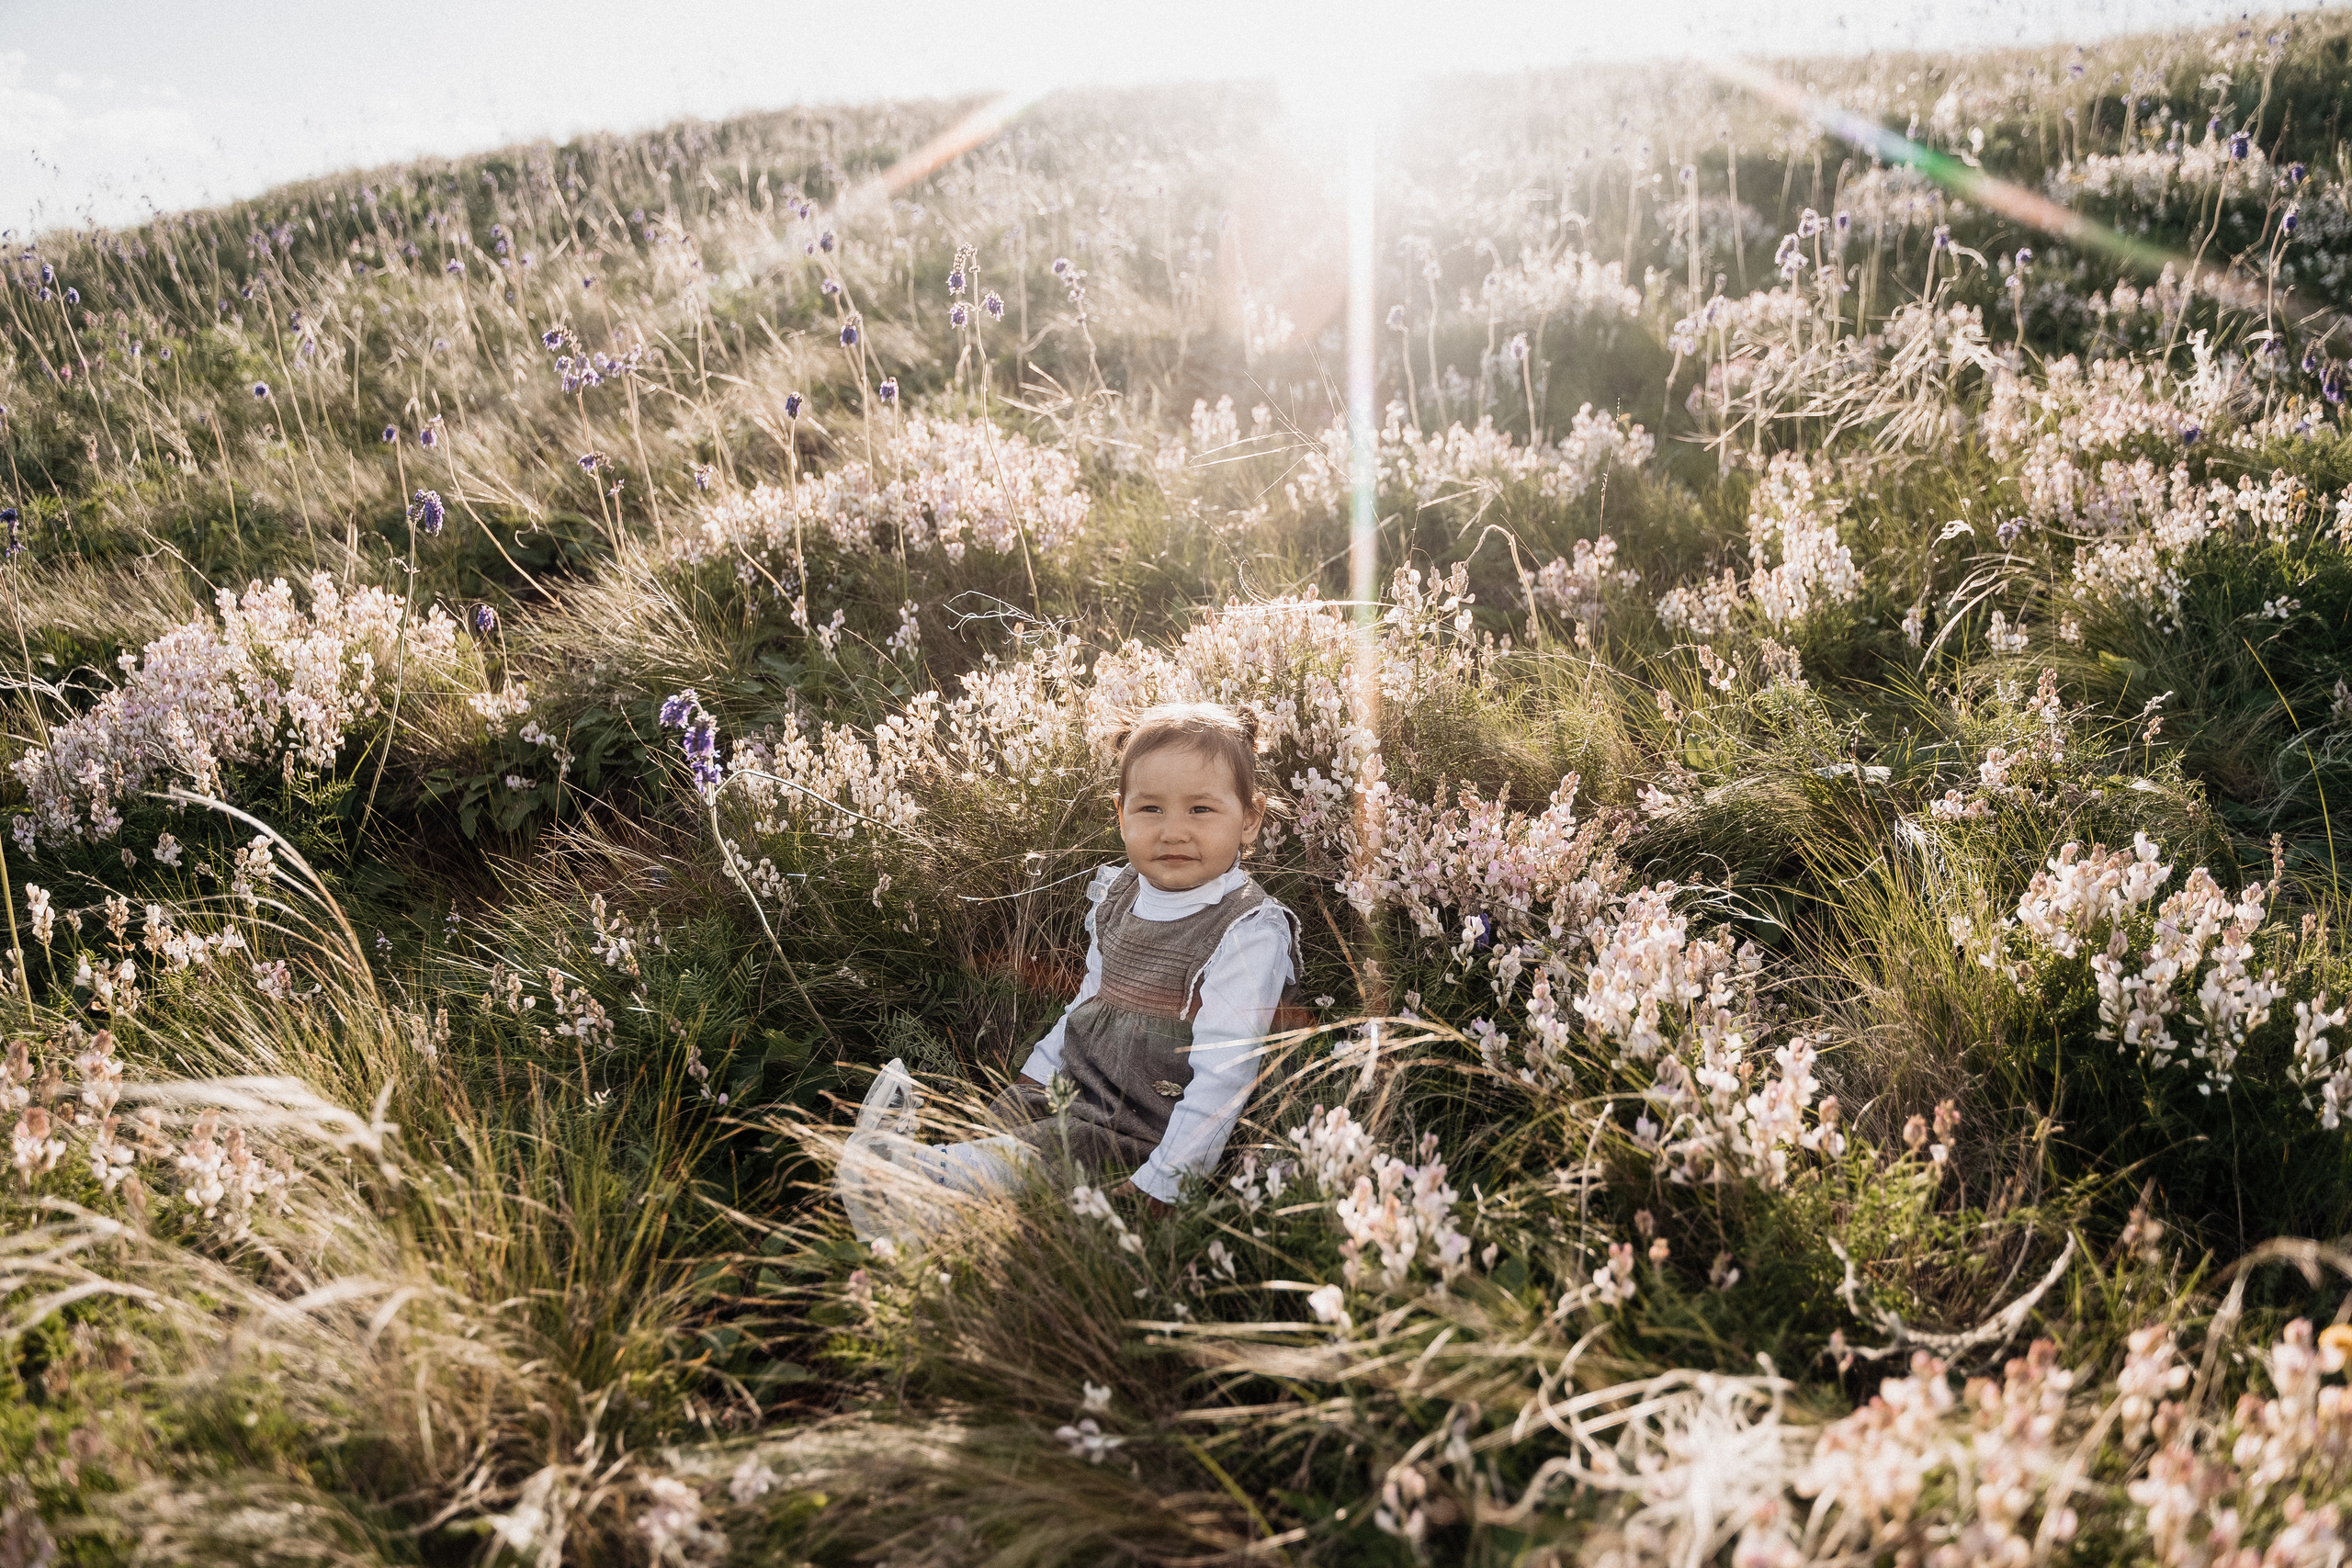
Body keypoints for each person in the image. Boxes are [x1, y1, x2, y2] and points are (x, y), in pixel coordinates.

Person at [838, 702, 1303, 1245]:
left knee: (1044, 1157)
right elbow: (1090, 1001)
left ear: (1250, 819)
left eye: (1201, 810)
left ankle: (911, 1183)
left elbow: (1225, 1078)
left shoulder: (1247, 931)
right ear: (1120, 813)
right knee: (1009, 1127)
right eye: (1150, 809)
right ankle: (932, 1215)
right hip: (1076, 1083)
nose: (1174, 831)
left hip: (1142, 1123)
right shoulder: (1119, 896)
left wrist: (1167, 1182)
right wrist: (1038, 1071)